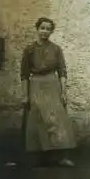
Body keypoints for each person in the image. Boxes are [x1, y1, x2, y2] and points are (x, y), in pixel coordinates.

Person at [20, 17, 77, 167]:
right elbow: (24, 74)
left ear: (52, 31)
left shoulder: (56, 49)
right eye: (42, 28)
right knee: (38, 119)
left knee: (57, 120)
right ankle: (38, 157)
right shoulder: (29, 50)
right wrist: (25, 95)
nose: (45, 31)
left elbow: (62, 71)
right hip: (36, 85)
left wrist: (63, 92)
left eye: (48, 29)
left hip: (52, 84)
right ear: (37, 29)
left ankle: (61, 157)